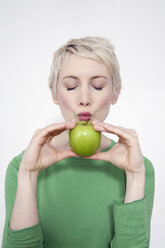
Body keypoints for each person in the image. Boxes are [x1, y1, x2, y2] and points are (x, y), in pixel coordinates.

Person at [2, 37, 155, 248]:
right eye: (72, 86)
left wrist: (135, 176)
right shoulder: (21, 167)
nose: (84, 98)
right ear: (55, 93)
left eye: (98, 86)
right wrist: (28, 175)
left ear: (115, 92)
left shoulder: (140, 168)